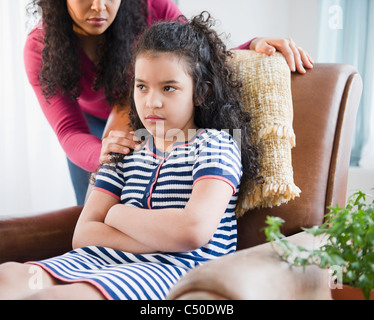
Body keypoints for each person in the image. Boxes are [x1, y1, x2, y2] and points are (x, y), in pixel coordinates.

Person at [0, 12, 260, 300]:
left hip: (166, 269)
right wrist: (157, 237)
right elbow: (83, 234)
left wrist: (116, 213)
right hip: (97, 261)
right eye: (142, 87)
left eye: (169, 88)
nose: (152, 101)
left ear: (200, 92)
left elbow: (192, 231)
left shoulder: (215, 145)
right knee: (9, 276)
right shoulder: (125, 149)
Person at [25, 0, 313, 205]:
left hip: (146, 110)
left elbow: (195, 53)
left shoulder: (152, 6)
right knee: (90, 203)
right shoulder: (40, 48)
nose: (99, 6)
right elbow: (69, 131)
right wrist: (99, 153)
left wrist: (251, 45)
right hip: (89, 125)